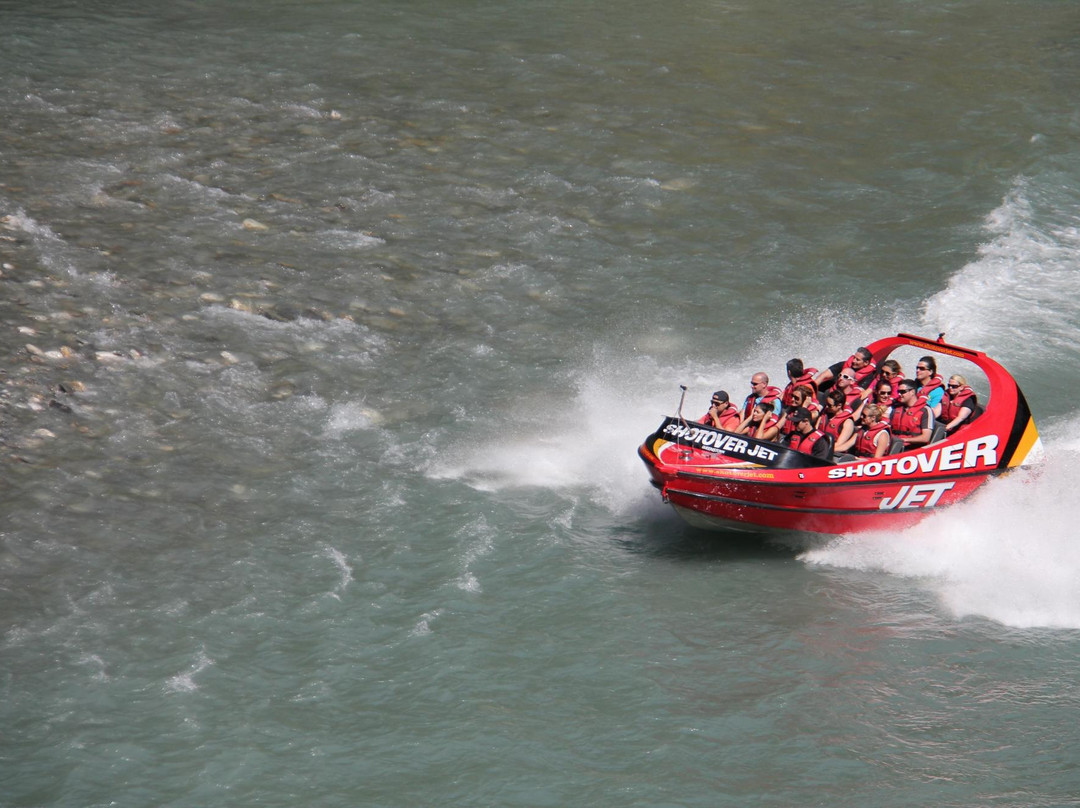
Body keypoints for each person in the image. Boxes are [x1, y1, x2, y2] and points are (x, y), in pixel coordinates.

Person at [890, 380, 933, 448]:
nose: (899, 394)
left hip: (912, 448)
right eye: (898, 392)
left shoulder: (925, 410)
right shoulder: (896, 408)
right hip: (893, 444)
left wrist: (904, 440)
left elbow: (926, 438)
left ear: (912, 392)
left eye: (903, 392)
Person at [818, 389, 856, 453]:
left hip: (834, 453)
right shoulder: (825, 414)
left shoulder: (847, 422)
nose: (827, 407)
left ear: (839, 406)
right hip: (819, 447)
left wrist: (823, 449)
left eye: (830, 405)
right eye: (826, 404)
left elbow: (839, 444)